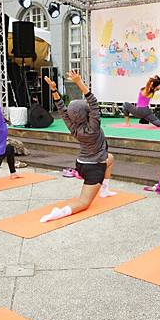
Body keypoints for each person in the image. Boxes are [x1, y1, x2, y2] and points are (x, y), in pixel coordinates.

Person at [39, 71, 117, 223]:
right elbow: (93, 103)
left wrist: (54, 90)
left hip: (81, 164)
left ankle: (105, 190)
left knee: (111, 158)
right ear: (87, 112)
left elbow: (61, 109)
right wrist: (79, 82)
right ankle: (59, 213)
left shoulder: (73, 127)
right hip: (93, 168)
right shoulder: (93, 127)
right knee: (84, 203)